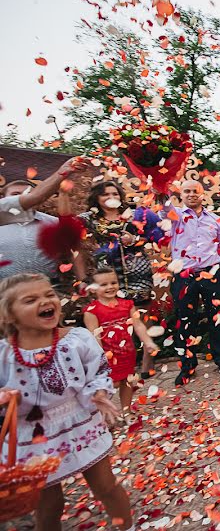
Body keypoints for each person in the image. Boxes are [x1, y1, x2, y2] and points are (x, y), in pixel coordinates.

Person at [0, 273, 133, 531]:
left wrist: (98, 393)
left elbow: (98, 371)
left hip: (80, 421)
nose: (45, 300)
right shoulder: (4, 354)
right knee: (49, 504)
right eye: (30, 299)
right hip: (35, 435)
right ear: (10, 316)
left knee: (106, 486)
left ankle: (128, 526)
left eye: (49, 294)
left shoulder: (76, 339)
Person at [78, 180, 164, 378]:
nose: (112, 198)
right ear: (96, 199)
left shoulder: (135, 216)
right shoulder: (90, 219)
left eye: (115, 194)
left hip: (137, 271)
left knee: (142, 318)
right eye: (106, 194)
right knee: (112, 320)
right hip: (107, 274)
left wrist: (135, 240)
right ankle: (116, 365)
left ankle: (146, 366)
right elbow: (67, 223)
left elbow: (158, 235)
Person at [162, 179, 220, 386]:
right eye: (187, 191)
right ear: (181, 194)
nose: (191, 194)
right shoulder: (175, 216)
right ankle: (187, 366)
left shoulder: (215, 220)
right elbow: (163, 206)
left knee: (217, 319)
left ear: (202, 194)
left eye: (195, 191)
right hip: (184, 276)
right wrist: (159, 182)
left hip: (211, 273)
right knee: (185, 320)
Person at [0, 157, 87, 282]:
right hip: (5, 292)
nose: (24, 198)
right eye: (16, 195)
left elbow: (74, 250)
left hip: (48, 288)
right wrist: (63, 171)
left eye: (27, 193)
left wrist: (82, 280)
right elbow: (36, 196)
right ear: (5, 199)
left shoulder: (53, 223)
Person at [83, 268, 159, 411]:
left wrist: (148, 342)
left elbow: (138, 325)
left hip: (127, 352)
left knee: (127, 381)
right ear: (93, 289)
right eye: (104, 284)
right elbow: (94, 336)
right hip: (106, 355)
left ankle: (126, 410)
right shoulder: (92, 311)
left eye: (113, 282)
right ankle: (104, 415)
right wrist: (100, 359)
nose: (110, 287)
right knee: (106, 385)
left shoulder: (127, 305)